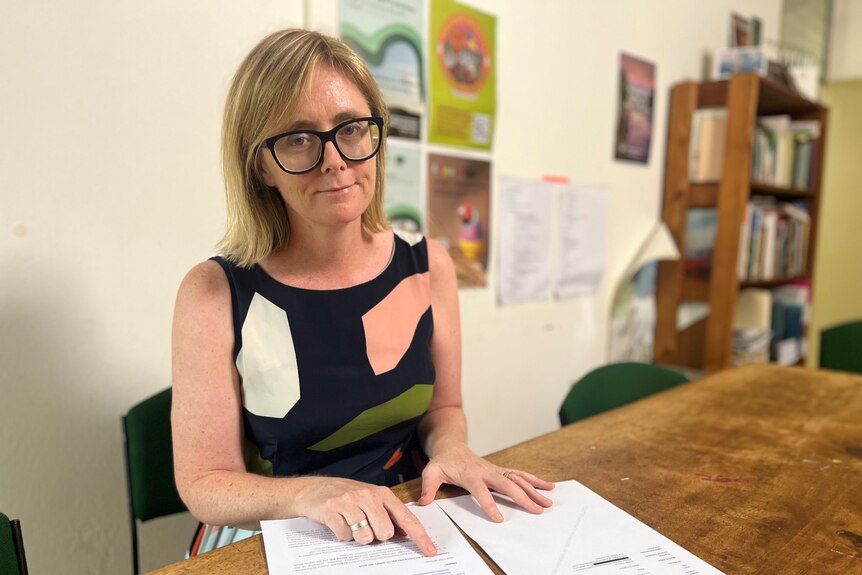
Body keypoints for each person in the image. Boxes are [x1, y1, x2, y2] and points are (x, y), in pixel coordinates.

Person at [171, 28, 554, 556]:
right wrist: (312, 493)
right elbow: (205, 484)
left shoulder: (428, 266)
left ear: (375, 137)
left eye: (350, 128)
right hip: (276, 534)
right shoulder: (215, 292)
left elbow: (444, 409)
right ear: (261, 164)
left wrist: (455, 448)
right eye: (299, 138)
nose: (335, 160)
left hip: (406, 522)